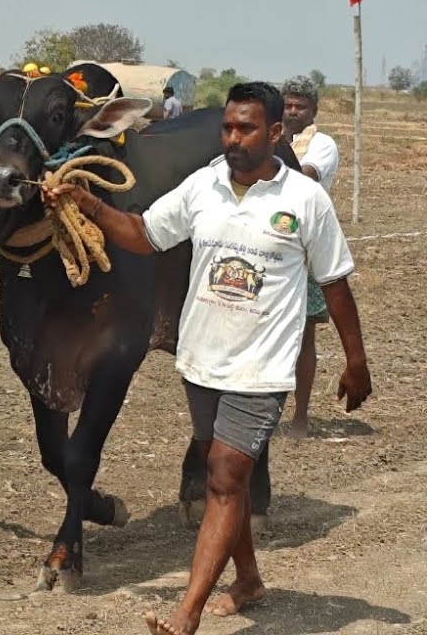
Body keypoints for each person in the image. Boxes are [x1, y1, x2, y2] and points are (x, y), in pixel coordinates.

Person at [44, 82, 371, 635]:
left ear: (275, 133)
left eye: (246, 128)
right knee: (228, 481)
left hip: (263, 366)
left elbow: (335, 282)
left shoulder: (305, 200)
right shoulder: (204, 185)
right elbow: (144, 234)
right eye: (227, 127)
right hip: (201, 362)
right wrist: (90, 204)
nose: (233, 138)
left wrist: (355, 361)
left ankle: (187, 613)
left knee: (221, 478)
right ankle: (249, 580)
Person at [279, 75, 340, 438]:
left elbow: (306, 176)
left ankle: (300, 417)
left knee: (303, 336)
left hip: (305, 247)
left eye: (300, 106)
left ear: (313, 110)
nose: (292, 111)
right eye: (287, 105)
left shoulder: (322, 144)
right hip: (270, 243)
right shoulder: (272, 139)